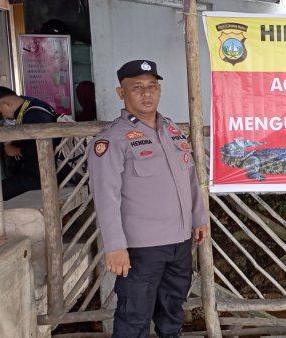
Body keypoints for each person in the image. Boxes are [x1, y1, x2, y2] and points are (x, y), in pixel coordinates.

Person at [87, 59, 208, 337]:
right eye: (137, 87)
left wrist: (199, 217)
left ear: (159, 90)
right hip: (141, 248)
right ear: (121, 93)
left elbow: (190, 179)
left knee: (172, 313)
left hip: (179, 242)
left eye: (152, 86)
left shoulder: (172, 131)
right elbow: (105, 197)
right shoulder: (112, 139)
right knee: (134, 317)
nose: (147, 93)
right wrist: (115, 246)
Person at [0, 86, 66, 201]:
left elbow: (41, 149)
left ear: (7, 104)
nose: (4, 117)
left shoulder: (34, 114)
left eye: (1, 113)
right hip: (37, 173)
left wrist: (16, 150)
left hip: (43, 176)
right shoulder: (31, 104)